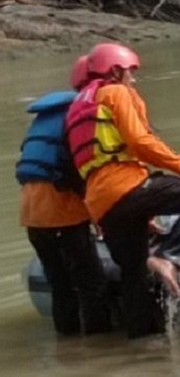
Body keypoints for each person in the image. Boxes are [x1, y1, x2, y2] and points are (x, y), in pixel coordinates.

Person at [65, 42, 180, 339]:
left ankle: (143, 349)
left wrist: (140, 212)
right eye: (129, 73)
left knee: (134, 276)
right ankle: (171, 257)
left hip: (103, 205)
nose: (133, 80)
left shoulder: (77, 109)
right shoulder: (115, 92)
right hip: (126, 187)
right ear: (114, 71)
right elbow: (139, 142)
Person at [17, 55, 112, 336]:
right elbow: (77, 170)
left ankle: (68, 345)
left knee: (60, 284)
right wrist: (100, 215)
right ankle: (100, 349)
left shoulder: (47, 115)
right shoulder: (81, 114)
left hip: (32, 214)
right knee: (91, 282)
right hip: (62, 212)